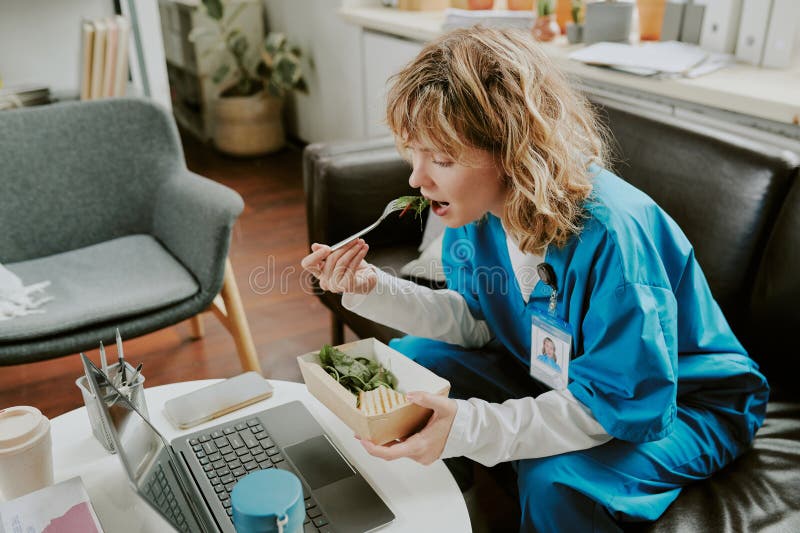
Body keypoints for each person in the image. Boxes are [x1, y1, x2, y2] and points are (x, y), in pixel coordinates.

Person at [301, 27, 769, 532]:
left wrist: (470, 427)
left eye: (442, 159)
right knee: (417, 360)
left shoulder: (613, 236)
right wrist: (372, 288)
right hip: (566, 375)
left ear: (511, 148)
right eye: (413, 151)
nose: (417, 178)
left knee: (555, 479)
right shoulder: (476, 211)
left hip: (683, 402)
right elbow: (480, 320)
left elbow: (616, 399)